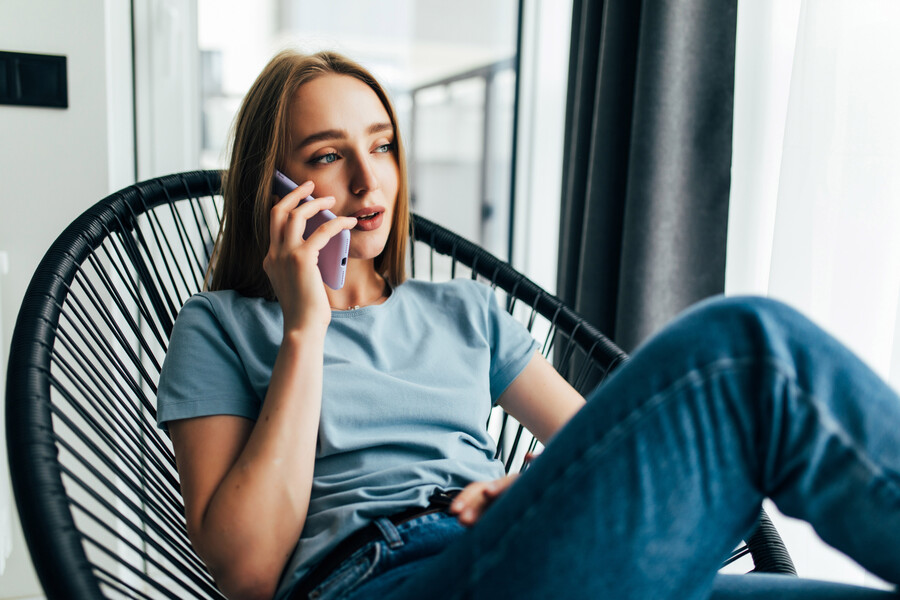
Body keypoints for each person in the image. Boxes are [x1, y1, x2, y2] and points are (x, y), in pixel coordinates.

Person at [156, 49, 900, 600]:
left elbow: (593, 447)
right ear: (274, 184)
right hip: (385, 578)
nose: (368, 177)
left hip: (522, 555)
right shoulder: (221, 328)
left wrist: (533, 493)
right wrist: (304, 327)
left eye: (381, 144)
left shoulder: (464, 313)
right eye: (328, 155)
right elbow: (248, 572)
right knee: (748, 354)